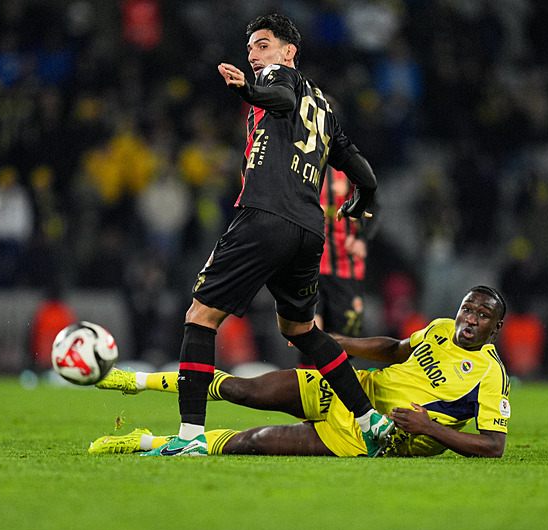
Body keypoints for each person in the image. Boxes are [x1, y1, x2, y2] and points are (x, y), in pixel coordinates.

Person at [150, 14, 392, 457]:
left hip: (264, 217)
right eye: (250, 50)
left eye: (262, 46)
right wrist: (366, 193)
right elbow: (357, 164)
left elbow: (277, 96)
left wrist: (248, 88)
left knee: (200, 316)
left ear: (288, 52)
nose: (254, 56)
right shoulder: (322, 105)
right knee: (301, 328)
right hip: (308, 229)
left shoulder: (280, 79)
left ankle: (188, 439)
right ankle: (369, 419)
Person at [91, 287, 510, 458]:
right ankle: (134, 381)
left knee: (252, 441)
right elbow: (394, 350)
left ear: (495, 327)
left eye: (482, 314)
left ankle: (145, 442)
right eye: (467, 308)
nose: (470, 318)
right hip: (353, 390)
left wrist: (428, 427)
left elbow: (494, 446)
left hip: (372, 435)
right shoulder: (439, 328)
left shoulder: (490, 374)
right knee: (244, 389)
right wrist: (333, 344)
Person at [297, 166, 376, 368]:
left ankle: (335, 389)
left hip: (344, 267)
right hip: (309, 265)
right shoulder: (299, 162)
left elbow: (375, 204)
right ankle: (307, 391)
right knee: (309, 333)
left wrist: (362, 238)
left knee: (344, 340)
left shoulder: (348, 165)